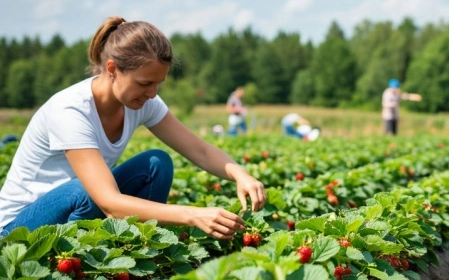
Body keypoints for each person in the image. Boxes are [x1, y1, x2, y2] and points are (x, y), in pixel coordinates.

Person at [0, 16, 266, 239]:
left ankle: (137, 244)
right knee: (85, 189)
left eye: (158, 83)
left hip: (80, 207)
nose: (152, 93)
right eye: (144, 83)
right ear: (112, 69)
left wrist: (239, 174)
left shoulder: (141, 101)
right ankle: (82, 255)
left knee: (156, 163)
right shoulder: (71, 110)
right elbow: (108, 202)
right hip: (18, 229)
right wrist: (193, 214)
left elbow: (200, 150)